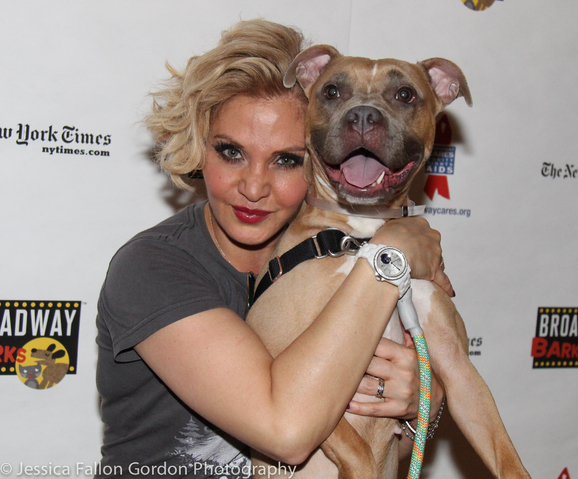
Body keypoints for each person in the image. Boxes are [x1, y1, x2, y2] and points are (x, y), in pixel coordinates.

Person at [95, 19, 450, 478]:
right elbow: (287, 431)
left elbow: (377, 453)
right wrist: (391, 252)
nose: (254, 187)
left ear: (327, 153)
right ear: (199, 145)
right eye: (231, 152)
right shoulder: (151, 268)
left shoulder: (338, 262)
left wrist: (423, 402)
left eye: (287, 160)